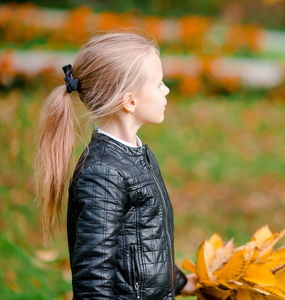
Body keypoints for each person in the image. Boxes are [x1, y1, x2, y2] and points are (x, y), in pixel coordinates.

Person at [33, 31, 196, 299]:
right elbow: (93, 277)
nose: (166, 89)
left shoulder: (137, 155)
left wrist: (178, 282)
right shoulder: (102, 174)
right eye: (159, 84)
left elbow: (146, 242)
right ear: (130, 101)